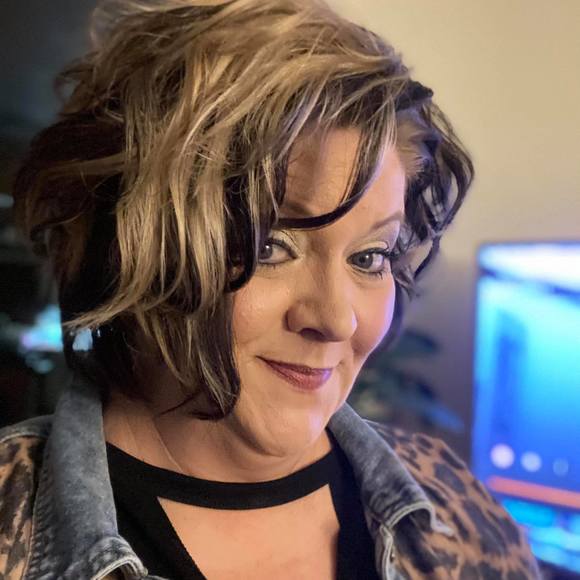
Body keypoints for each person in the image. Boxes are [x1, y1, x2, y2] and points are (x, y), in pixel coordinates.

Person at [0, 0, 540, 578]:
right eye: (268, 246)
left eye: (370, 257)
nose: (336, 319)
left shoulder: (457, 513)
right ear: (126, 245)